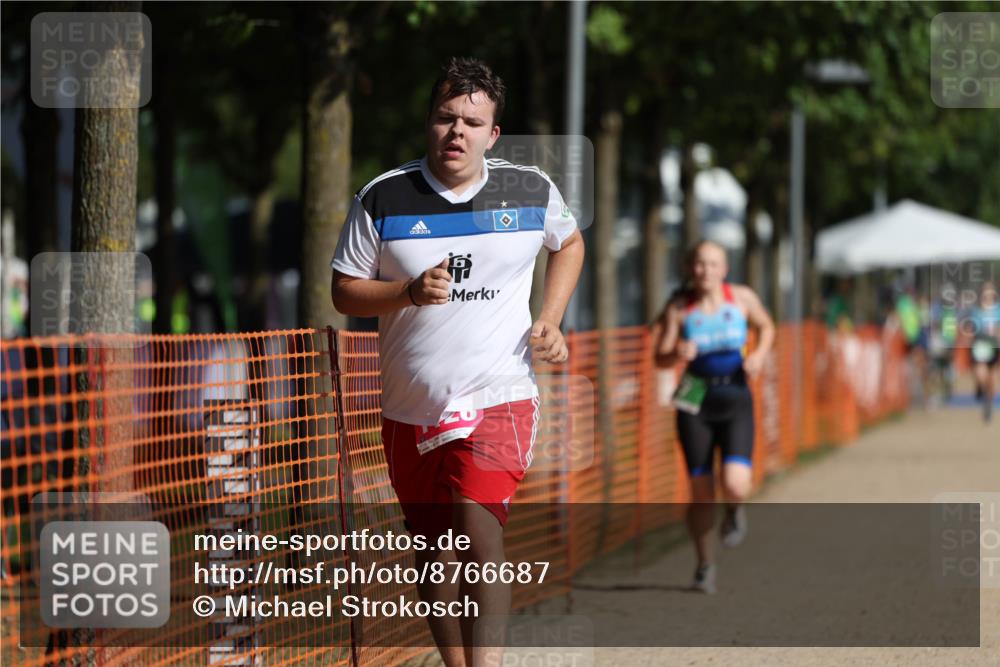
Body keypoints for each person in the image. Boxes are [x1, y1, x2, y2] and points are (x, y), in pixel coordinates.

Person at [330, 57, 584, 666]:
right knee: (433, 550)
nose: (457, 132)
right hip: (411, 404)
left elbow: (569, 243)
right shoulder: (384, 197)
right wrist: (408, 293)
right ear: (430, 122)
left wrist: (550, 317)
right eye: (446, 118)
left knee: (477, 529)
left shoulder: (529, 190)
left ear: (493, 134)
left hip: (500, 391)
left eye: (472, 121)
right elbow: (343, 290)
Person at [652, 240, 775, 594]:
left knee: (736, 483)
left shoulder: (742, 299)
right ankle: (705, 565)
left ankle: (735, 510)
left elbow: (767, 327)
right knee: (701, 492)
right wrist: (676, 351)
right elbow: (659, 358)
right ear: (691, 269)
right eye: (700, 264)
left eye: (713, 264)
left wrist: (760, 355)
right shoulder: (679, 307)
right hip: (695, 400)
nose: (706, 271)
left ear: (725, 268)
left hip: (735, 396)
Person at [971, 281, 1000, 422]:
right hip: (981, 349)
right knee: (982, 376)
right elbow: (973, 330)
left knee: (992, 381)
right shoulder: (976, 311)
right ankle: (979, 387)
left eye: (991, 292)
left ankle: (988, 405)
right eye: (986, 292)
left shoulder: (998, 310)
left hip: (995, 349)